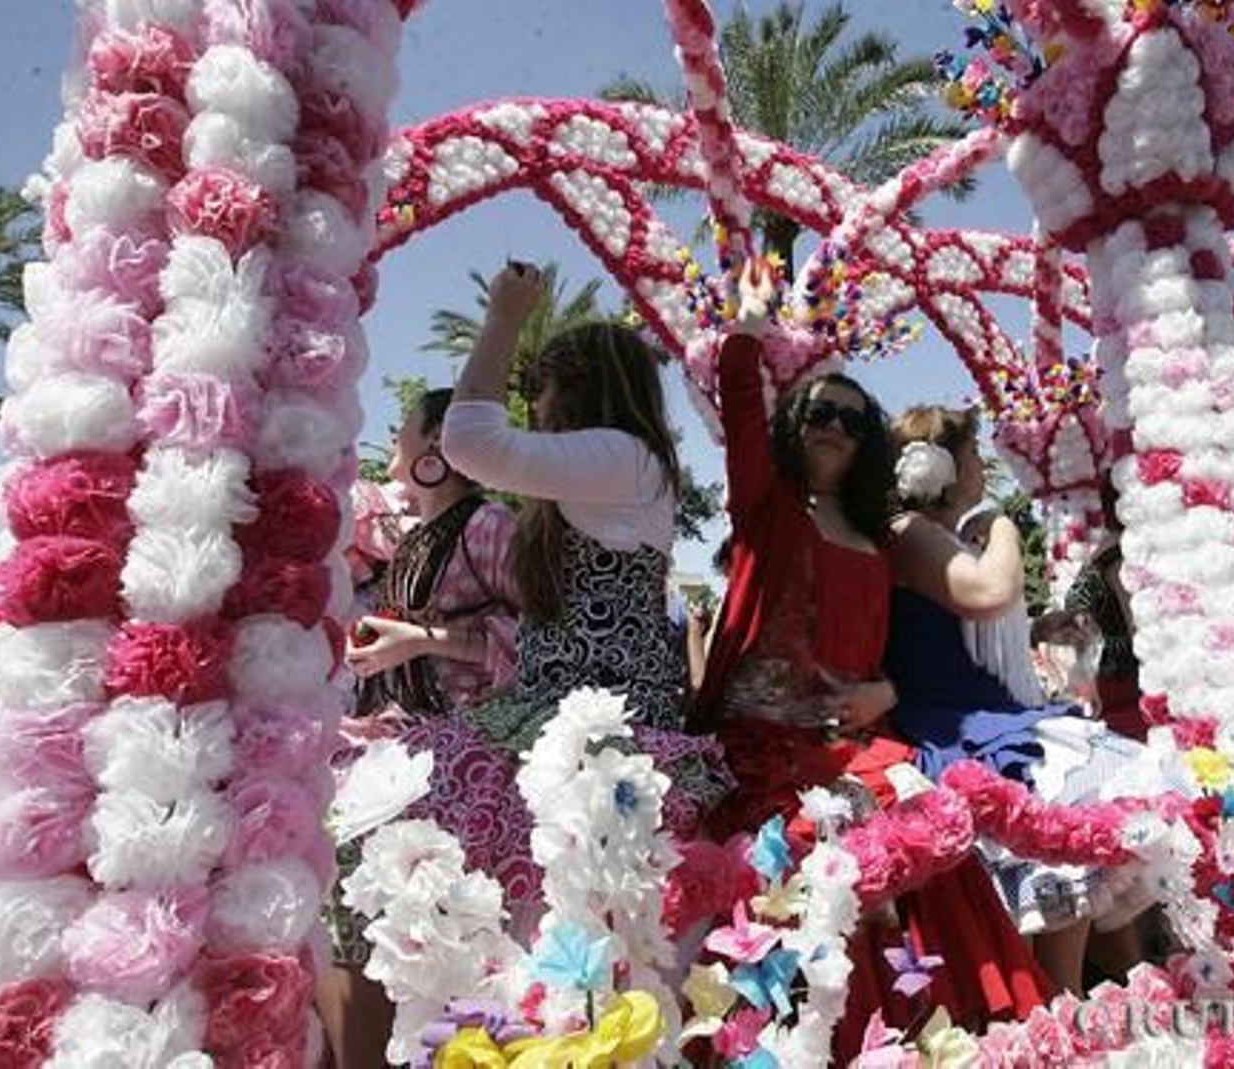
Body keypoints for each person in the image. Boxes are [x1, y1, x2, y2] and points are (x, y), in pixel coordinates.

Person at [692, 262, 1048, 1058]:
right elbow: (739, 397)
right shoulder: (767, 508)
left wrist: (885, 684)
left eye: (855, 423)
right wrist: (748, 326)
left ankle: (920, 1035)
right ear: (797, 421)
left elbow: (895, 647)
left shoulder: (879, 534)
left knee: (922, 837)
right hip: (759, 752)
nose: (836, 429)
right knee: (794, 889)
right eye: (822, 412)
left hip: (855, 743)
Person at [439, 261, 734, 855]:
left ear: (574, 390)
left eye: (536, 388)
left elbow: (468, 439)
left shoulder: (624, 458)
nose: (534, 407)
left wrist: (504, 319)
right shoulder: (609, 469)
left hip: (603, 746)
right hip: (565, 729)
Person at [886, 405, 1181, 994]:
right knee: (1065, 807)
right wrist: (1000, 524)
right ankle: (1058, 1004)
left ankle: (1072, 999)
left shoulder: (939, 536)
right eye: (973, 456)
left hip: (989, 716)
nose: (982, 470)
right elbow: (993, 591)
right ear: (943, 464)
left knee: (1083, 825)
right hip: (954, 725)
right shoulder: (908, 531)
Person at [322, 389, 520, 1069]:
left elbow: (539, 637)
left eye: (404, 431)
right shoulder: (410, 537)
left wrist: (424, 640)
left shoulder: (490, 524)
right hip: (393, 748)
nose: (394, 443)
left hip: (463, 766)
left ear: (440, 447)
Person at [1064, 480, 1145, 740]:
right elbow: (1136, 624)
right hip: (1127, 678)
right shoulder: (1120, 556)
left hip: (1107, 674)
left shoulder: (1101, 553)